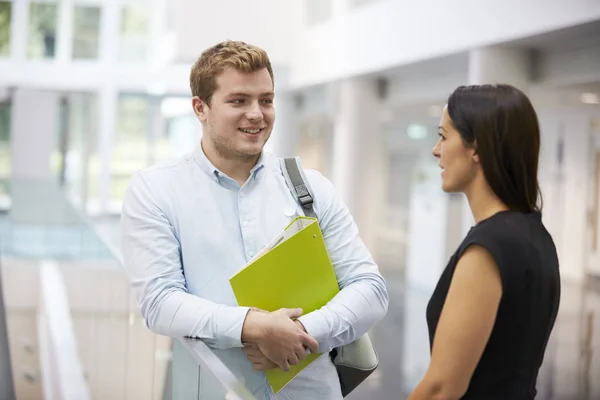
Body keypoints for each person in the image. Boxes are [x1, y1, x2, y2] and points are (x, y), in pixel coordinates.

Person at [120, 40, 388, 399]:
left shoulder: (309, 187)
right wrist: (252, 325)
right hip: (215, 391)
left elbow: (370, 289)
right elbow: (159, 301)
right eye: (238, 101)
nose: (257, 114)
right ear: (201, 108)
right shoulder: (156, 190)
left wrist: (302, 333)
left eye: (266, 100)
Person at [408, 84, 561, 400]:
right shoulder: (534, 234)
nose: (436, 149)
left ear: (476, 147)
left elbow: (441, 388)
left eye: (444, 136)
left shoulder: (489, 248)